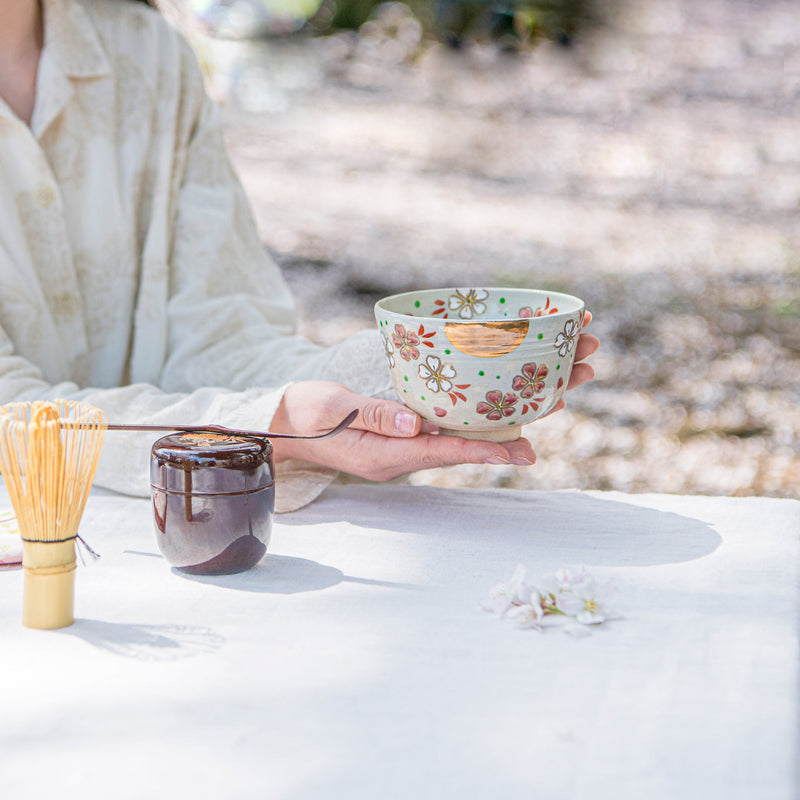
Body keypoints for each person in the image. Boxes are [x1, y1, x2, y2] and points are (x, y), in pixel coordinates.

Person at [0, 0, 598, 511]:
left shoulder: (148, 55)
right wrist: (271, 427)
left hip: (197, 548)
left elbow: (216, 334)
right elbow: (10, 417)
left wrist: (408, 380)